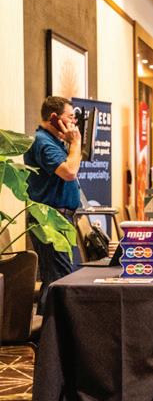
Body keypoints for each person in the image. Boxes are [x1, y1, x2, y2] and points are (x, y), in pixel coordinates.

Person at [24, 96, 82, 315]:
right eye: (70, 117)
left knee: (58, 277)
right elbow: (69, 172)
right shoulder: (42, 141)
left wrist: (72, 144)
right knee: (58, 279)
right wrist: (75, 143)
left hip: (59, 218)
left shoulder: (54, 141)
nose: (74, 123)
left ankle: (50, 331)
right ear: (54, 117)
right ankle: (50, 332)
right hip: (49, 219)